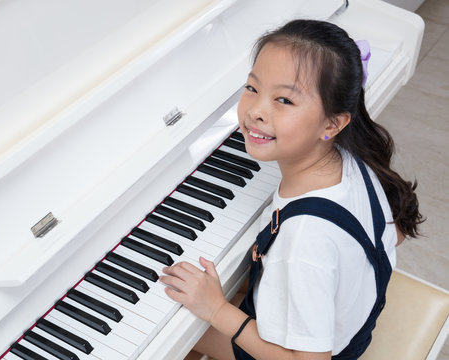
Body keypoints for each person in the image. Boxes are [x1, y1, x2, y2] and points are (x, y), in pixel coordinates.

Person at [159, 19, 423, 360]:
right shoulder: (349, 157)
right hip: (351, 324)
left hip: (314, 352)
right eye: (252, 88)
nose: (256, 111)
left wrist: (216, 311)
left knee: (178, 327)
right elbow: (390, 235)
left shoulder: (306, 242)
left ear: (332, 123)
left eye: (283, 100)